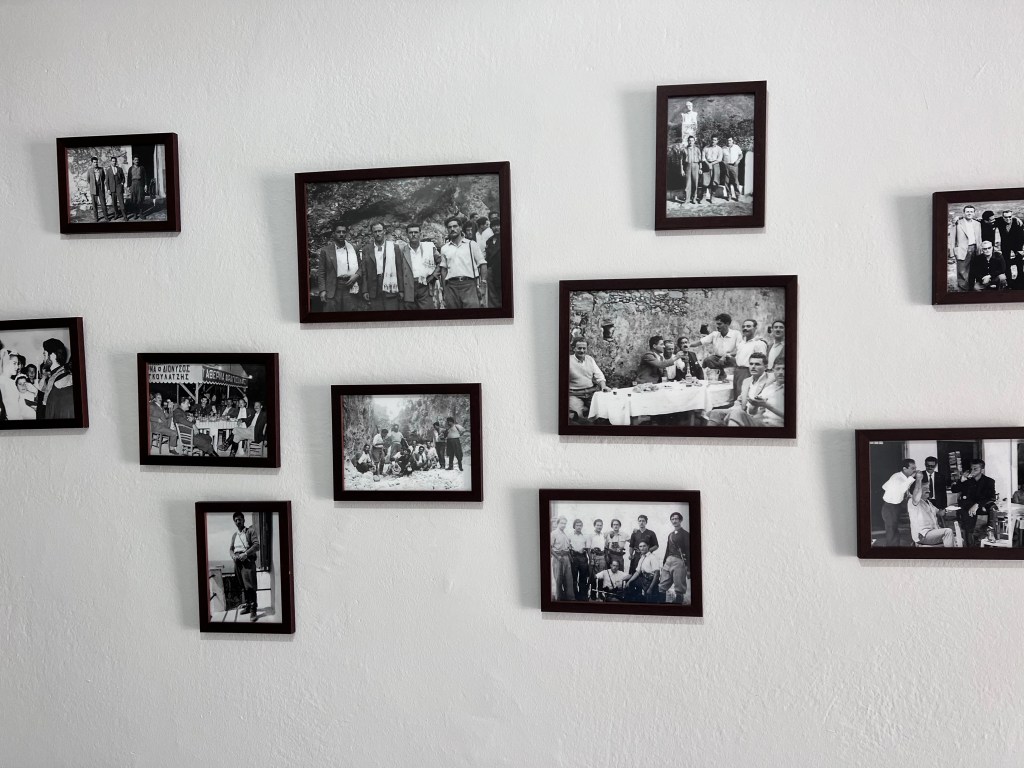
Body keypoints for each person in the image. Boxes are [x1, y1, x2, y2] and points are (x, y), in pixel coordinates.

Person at [708, 351, 769, 427]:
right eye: (751, 364)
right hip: (743, 413)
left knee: (736, 413)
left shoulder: (770, 380)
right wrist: (732, 410)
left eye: (757, 364)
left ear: (765, 367)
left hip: (759, 418)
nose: (753, 367)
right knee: (715, 413)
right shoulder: (747, 381)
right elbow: (740, 400)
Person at [440, 216, 487, 309]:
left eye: (455, 226)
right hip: (451, 286)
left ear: (461, 228)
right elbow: (443, 270)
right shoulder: (444, 248)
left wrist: (483, 285)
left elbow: (483, 264)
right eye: (449, 227)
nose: (452, 229)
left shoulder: (471, 244)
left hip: (469, 285)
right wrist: (445, 290)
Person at [317, 222, 362, 313]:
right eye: (338, 232)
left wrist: (357, 275)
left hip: (350, 286)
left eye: (343, 232)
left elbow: (361, 266)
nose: (341, 234)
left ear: (346, 234)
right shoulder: (325, 251)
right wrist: (322, 290)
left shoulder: (353, 249)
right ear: (334, 233)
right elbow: (321, 272)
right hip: (332, 288)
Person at [951, 459, 997, 547]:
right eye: (971, 469)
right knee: (969, 527)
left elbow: (991, 497)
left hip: (981, 506)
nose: (972, 471)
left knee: (993, 507)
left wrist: (977, 504)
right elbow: (954, 489)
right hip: (967, 508)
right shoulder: (967, 480)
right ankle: (970, 545)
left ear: (982, 470)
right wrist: (961, 480)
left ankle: (990, 530)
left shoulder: (989, 481)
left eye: (975, 469)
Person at [396, 224, 440, 310]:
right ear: (407, 235)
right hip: (408, 286)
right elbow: (399, 271)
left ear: (420, 234)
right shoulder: (402, 250)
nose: (413, 235)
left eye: (416, 232)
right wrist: (401, 290)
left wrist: (433, 276)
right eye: (411, 232)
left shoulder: (429, 247)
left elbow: (441, 262)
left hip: (425, 286)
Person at [361, 222, 403, 311]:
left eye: (379, 231)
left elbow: (399, 269)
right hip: (374, 288)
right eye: (375, 232)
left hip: (390, 285)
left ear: (384, 231)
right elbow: (364, 272)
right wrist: (365, 290)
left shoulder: (394, 248)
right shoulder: (366, 249)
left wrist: (401, 290)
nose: (378, 234)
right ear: (372, 233)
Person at [907, 472, 954, 547]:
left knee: (955, 538)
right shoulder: (913, 502)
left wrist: (947, 509)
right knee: (948, 532)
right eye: (925, 489)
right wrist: (918, 479)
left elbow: (940, 513)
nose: (928, 491)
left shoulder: (928, 503)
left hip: (932, 532)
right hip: (922, 535)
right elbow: (916, 493)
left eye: (928, 488)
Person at [568, 338, 610, 421]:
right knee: (577, 416)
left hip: (591, 393)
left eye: (584, 348)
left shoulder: (590, 359)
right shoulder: (568, 360)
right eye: (579, 348)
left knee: (603, 411)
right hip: (575, 394)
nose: (582, 351)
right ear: (574, 348)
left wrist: (603, 386)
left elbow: (599, 375)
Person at [229, 512, 260, 621]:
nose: (238, 522)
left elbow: (257, 545)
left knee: (250, 586)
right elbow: (231, 549)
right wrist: (233, 556)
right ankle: (247, 605)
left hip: (247, 560)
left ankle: (253, 610)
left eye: (240, 519)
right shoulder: (234, 535)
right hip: (237, 562)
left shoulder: (250, 531)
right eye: (236, 520)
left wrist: (245, 554)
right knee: (243, 585)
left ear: (243, 520)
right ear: (234, 522)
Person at [880, 459, 917, 547]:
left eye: (915, 468)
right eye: (912, 468)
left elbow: (884, 486)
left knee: (894, 529)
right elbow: (901, 489)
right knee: (891, 530)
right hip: (890, 506)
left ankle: (896, 547)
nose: (914, 470)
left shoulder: (900, 476)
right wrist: (912, 478)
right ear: (904, 468)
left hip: (896, 505)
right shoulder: (897, 478)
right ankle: (892, 550)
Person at [695, 314, 740, 383]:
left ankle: (733, 377)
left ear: (727, 324)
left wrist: (725, 356)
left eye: (719, 324)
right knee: (708, 360)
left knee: (732, 359)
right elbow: (700, 342)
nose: (717, 326)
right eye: (717, 324)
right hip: (717, 359)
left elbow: (740, 350)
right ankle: (720, 376)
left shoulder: (736, 334)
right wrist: (688, 345)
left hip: (731, 358)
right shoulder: (715, 334)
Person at [658, 512, 690, 603]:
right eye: (672, 519)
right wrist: (664, 563)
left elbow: (688, 550)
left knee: (679, 588)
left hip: (679, 561)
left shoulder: (685, 534)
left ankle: (678, 608)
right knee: (661, 586)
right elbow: (667, 550)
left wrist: (689, 568)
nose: (674, 521)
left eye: (676, 519)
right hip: (668, 561)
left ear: (680, 520)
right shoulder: (670, 535)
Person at [732, 319, 768, 401]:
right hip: (737, 371)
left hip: (748, 372)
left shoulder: (759, 343)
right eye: (743, 326)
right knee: (736, 396)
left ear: (755, 328)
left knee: (744, 397)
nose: (745, 328)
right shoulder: (742, 343)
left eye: (748, 326)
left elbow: (761, 362)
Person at [948, 205, 982, 290]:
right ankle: (963, 290)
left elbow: (979, 238)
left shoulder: (977, 224)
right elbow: (952, 238)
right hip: (962, 250)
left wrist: (980, 250)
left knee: (975, 269)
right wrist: (952, 253)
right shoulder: (957, 223)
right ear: (964, 213)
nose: (969, 213)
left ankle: (973, 288)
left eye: (971, 212)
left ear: (974, 213)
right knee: (962, 271)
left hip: (975, 248)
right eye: (967, 212)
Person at [40, 338, 74, 420]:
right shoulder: (55, 375)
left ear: (52, 356)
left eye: (44, 354)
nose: (43, 359)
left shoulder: (60, 379)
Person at [748, 358, 785, 427]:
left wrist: (766, 405)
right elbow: (752, 412)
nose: (780, 372)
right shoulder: (769, 388)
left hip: (778, 426)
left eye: (784, 369)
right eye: (778, 369)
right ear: (773, 370)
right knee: (737, 413)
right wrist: (754, 405)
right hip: (763, 422)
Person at [995, 209, 1024, 288]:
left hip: (1017, 245)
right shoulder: (999, 221)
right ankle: (1009, 282)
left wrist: (1021, 249)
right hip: (1005, 246)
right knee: (1006, 264)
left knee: (1019, 263)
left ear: (1012, 216)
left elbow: (1022, 236)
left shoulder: (1017, 222)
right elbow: (987, 220)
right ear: (1003, 217)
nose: (1008, 218)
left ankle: (1021, 281)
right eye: (1006, 217)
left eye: (1010, 217)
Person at [550, 517, 574, 600]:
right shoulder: (553, 533)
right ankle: (559, 599)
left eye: (565, 523)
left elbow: (567, 547)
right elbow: (549, 547)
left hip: (566, 558)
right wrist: (557, 557)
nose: (563, 525)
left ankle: (569, 598)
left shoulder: (565, 534)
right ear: (557, 523)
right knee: (558, 579)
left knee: (568, 579)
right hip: (558, 558)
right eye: (562, 523)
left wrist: (570, 558)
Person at [568, 518, 590, 601]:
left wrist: (589, 558)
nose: (579, 527)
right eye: (577, 525)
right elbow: (568, 547)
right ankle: (575, 595)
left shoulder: (585, 536)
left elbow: (587, 548)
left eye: (580, 525)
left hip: (583, 558)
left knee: (583, 577)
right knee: (574, 577)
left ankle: (583, 595)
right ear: (574, 526)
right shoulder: (570, 535)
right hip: (574, 557)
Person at [484, 214, 502, 309]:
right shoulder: (489, 241)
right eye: (494, 226)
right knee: (492, 294)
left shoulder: (507, 238)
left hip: (501, 269)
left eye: (498, 225)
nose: (496, 228)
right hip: (491, 271)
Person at [587, 519, 607, 599]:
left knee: (601, 576)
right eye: (597, 525)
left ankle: (600, 594)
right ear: (594, 526)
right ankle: (593, 594)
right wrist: (591, 559)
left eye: (600, 525)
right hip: (593, 556)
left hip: (602, 556)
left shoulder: (603, 535)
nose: (599, 527)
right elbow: (588, 549)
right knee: (593, 576)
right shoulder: (591, 535)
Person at [679, 135, 702, 204]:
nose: (691, 142)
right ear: (688, 141)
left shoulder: (697, 149)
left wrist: (700, 168)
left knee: (695, 183)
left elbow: (700, 160)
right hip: (688, 166)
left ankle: (694, 198)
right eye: (689, 140)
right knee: (687, 184)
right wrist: (682, 170)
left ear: (694, 141)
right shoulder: (684, 150)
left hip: (696, 166)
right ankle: (687, 199)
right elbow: (681, 160)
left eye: (692, 140)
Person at [85, 156, 107, 222]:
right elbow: (88, 179)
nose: (96, 163)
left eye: (96, 162)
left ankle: (106, 216)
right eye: (94, 162)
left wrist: (100, 184)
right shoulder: (89, 170)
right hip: (93, 189)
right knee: (94, 204)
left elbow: (103, 178)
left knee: (103, 203)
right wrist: (93, 185)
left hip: (100, 188)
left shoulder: (101, 169)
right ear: (92, 163)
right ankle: (96, 218)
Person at [701, 136, 724, 203]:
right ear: (710, 140)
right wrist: (708, 164)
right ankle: (703, 196)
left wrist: (712, 164)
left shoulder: (719, 149)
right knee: (705, 181)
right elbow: (703, 158)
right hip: (706, 164)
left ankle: (712, 197)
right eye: (712, 140)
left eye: (715, 140)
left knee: (715, 181)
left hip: (715, 164)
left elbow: (719, 159)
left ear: (717, 141)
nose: (713, 141)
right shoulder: (706, 148)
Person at [723, 137, 743, 201]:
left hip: (734, 166)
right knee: (726, 181)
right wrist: (723, 162)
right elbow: (721, 157)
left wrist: (738, 160)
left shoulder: (736, 147)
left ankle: (737, 195)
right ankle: (728, 195)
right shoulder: (723, 148)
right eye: (727, 140)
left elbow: (741, 155)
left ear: (732, 141)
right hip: (726, 166)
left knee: (735, 181)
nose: (728, 142)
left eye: (730, 140)